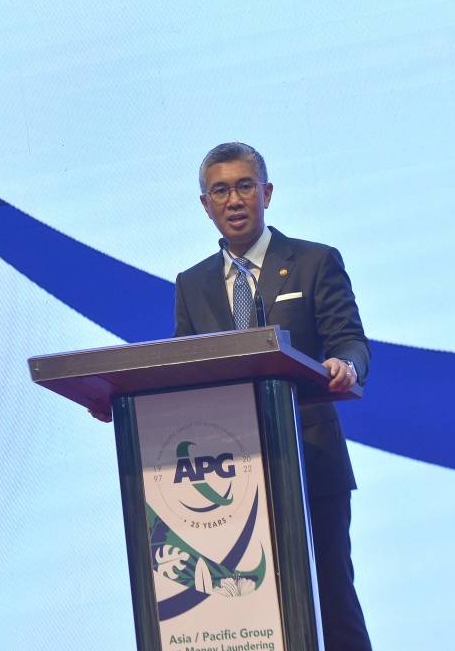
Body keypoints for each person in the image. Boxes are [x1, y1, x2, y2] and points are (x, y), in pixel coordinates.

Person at [173, 142, 373, 651]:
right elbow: (183, 370)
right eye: (221, 191)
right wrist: (117, 403)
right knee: (252, 608)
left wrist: (346, 365)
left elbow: (350, 338)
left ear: (267, 193)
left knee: (332, 598)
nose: (234, 200)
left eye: (244, 186)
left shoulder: (313, 261)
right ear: (205, 204)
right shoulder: (191, 284)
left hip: (310, 457)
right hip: (229, 475)